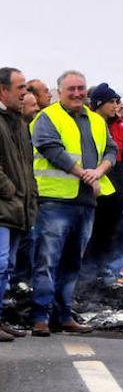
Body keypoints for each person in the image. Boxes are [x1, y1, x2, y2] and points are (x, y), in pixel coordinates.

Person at [29, 70, 118, 335]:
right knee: (47, 260)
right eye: (72, 89)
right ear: (60, 92)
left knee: (72, 262)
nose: (78, 93)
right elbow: (50, 148)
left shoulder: (96, 120)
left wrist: (99, 171)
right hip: (54, 200)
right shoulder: (48, 117)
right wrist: (84, 173)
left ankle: (64, 315)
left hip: (85, 201)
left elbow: (111, 149)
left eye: (81, 88)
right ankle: (40, 317)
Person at [0, 67, 37, 342]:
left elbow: (28, 167)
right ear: (3, 90)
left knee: (8, 267)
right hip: (4, 206)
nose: (25, 93)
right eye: (20, 87)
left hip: (17, 209)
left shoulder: (20, 123)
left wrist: (29, 197)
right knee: (0, 265)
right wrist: (11, 192)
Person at [84, 83, 123, 274]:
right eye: (111, 102)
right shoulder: (86, 123)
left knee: (110, 233)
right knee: (92, 234)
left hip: (114, 189)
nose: (116, 106)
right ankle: (89, 273)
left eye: (117, 101)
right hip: (92, 188)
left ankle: (104, 270)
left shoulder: (120, 128)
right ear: (99, 103)